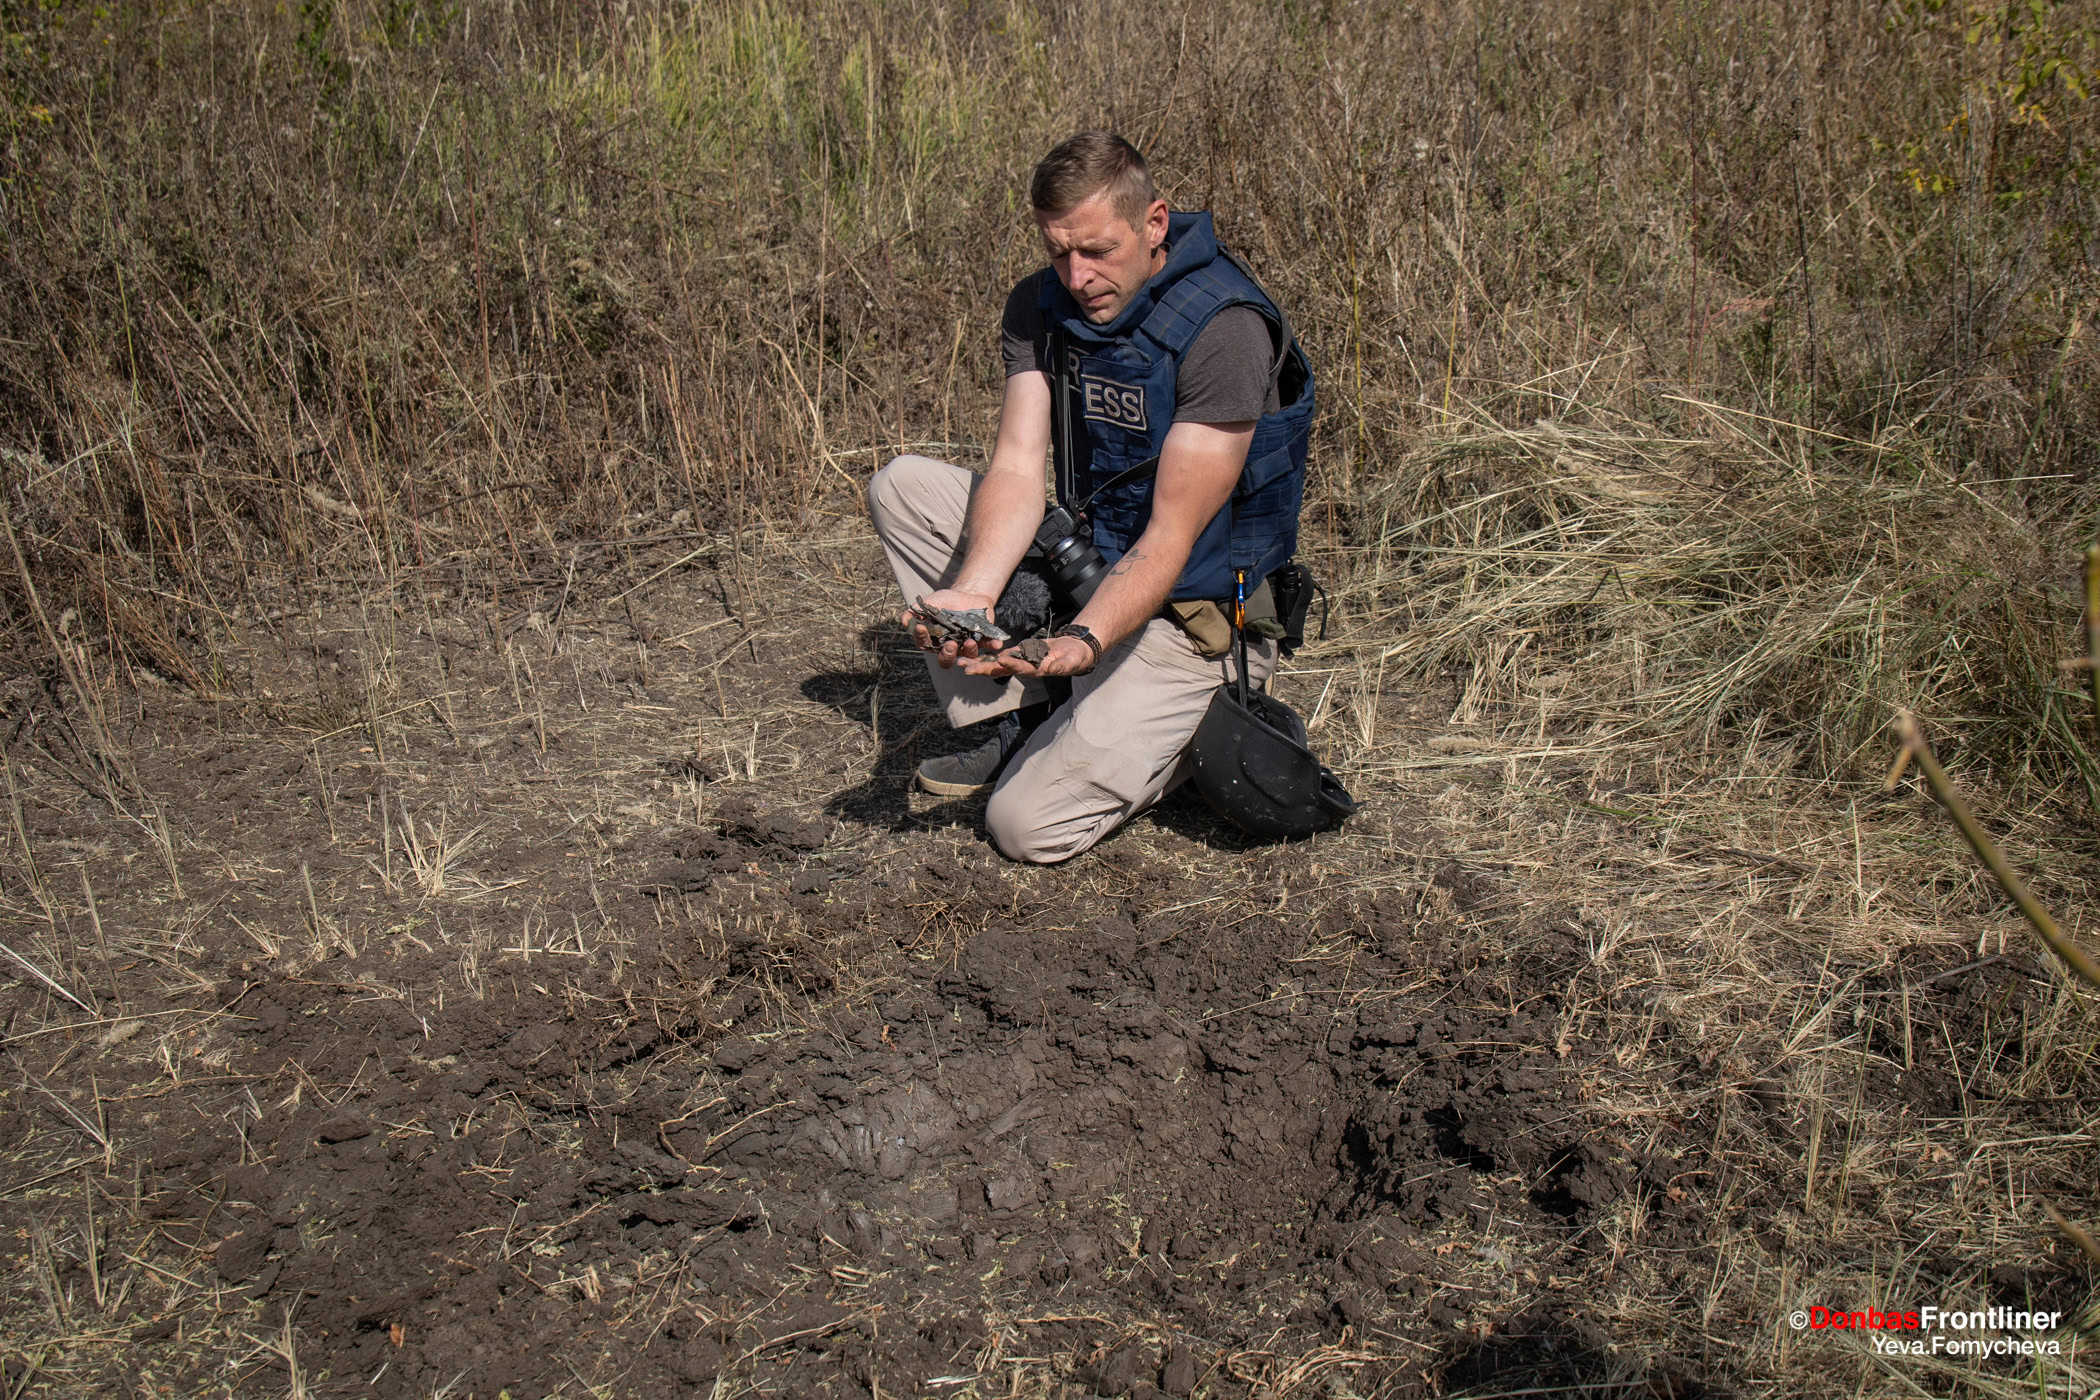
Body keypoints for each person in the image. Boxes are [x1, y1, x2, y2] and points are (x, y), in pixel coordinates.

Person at [866, 131, 1312, 863]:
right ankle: (1022, 716)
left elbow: (1171, 538)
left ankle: (1192, 724)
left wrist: (1082, 642)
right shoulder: (1040, 304)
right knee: (903, 487)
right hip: (1088, 569)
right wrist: (974, 593)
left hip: (1192, 621)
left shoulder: (1224, 328)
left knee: (1023, 827)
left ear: (1154, 223)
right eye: (1058, 253)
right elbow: (1017, 467)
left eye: (1099, 251)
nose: (1077, 276)